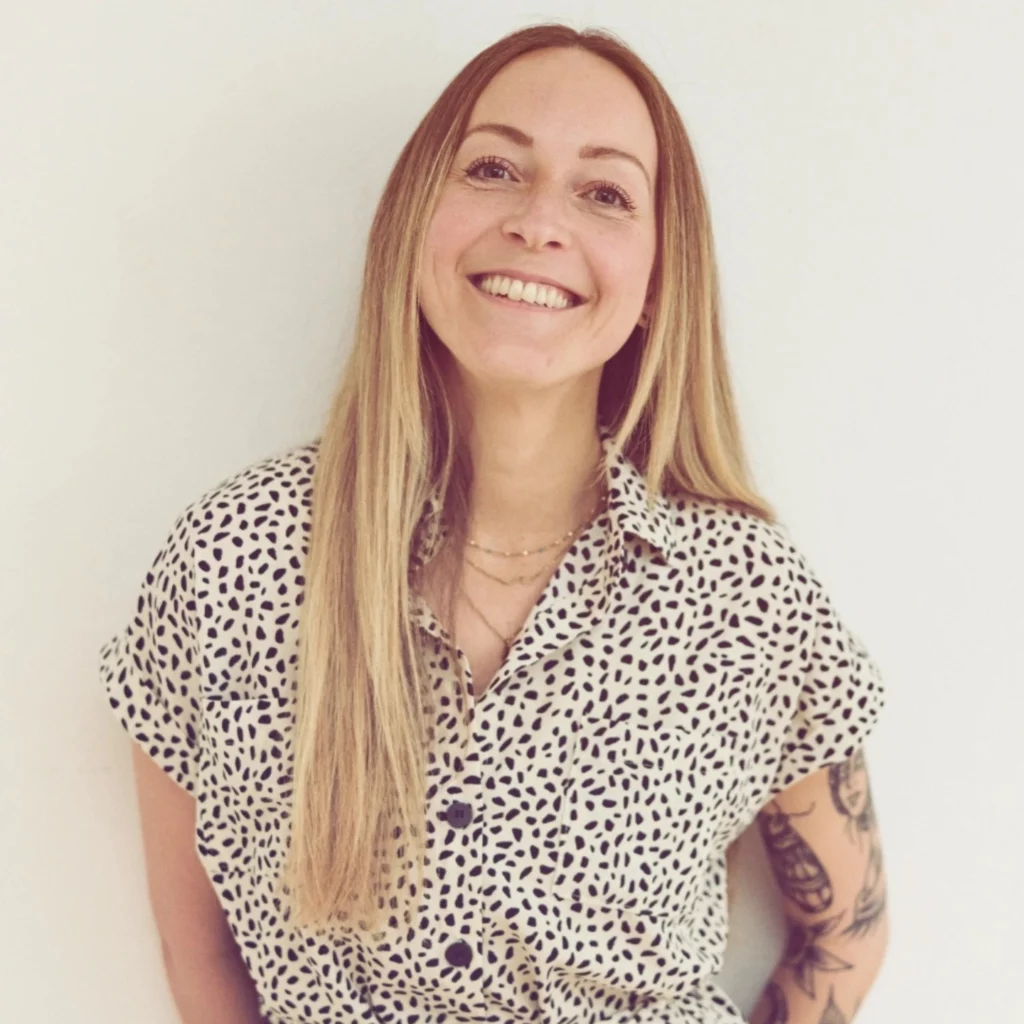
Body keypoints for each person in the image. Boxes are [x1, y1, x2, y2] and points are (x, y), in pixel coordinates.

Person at [99, 21, 889, 1024]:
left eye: (604, 193)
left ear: (657, 279)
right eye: (493, 169)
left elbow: (847, 931)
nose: (538, 222)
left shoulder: (746, 597)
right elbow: (200, 953)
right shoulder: (230, 565)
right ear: (414, 219)